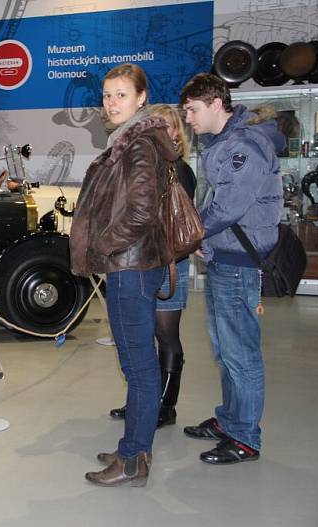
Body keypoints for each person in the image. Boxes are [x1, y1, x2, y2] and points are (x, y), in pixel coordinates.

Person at [70, 63, 178, 486]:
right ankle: (133, 446)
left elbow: (140, 211)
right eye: (107, 94)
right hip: (130, 265)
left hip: (131, 266)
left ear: (141, 98)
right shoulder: (131, 140)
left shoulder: (138, 144)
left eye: (120, 94)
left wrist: (102, 243)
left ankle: (133, 460)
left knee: (139, 367)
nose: (111, 102)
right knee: (137, 365)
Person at [179, 73, 283, 464]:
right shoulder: (223, 144)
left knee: (241, 354)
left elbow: (229, 207)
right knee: (225, 351)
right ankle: (230, 420)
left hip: (239, 262)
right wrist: (205, 241)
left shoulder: (245, 147)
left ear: (217, 104)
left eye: (193, 109)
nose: (188, 117)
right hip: (225, 257)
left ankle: (245, 438)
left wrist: (191, 235)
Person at [108, 104, 197, 428]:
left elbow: (174, 219)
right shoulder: (147, 166)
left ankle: (165, 405)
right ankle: (144, 401)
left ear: (176, 132)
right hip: (146, 262)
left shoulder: (179, 170)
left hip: (171, 263)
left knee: (165, 334)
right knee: (141, 338)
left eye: (167, 126)